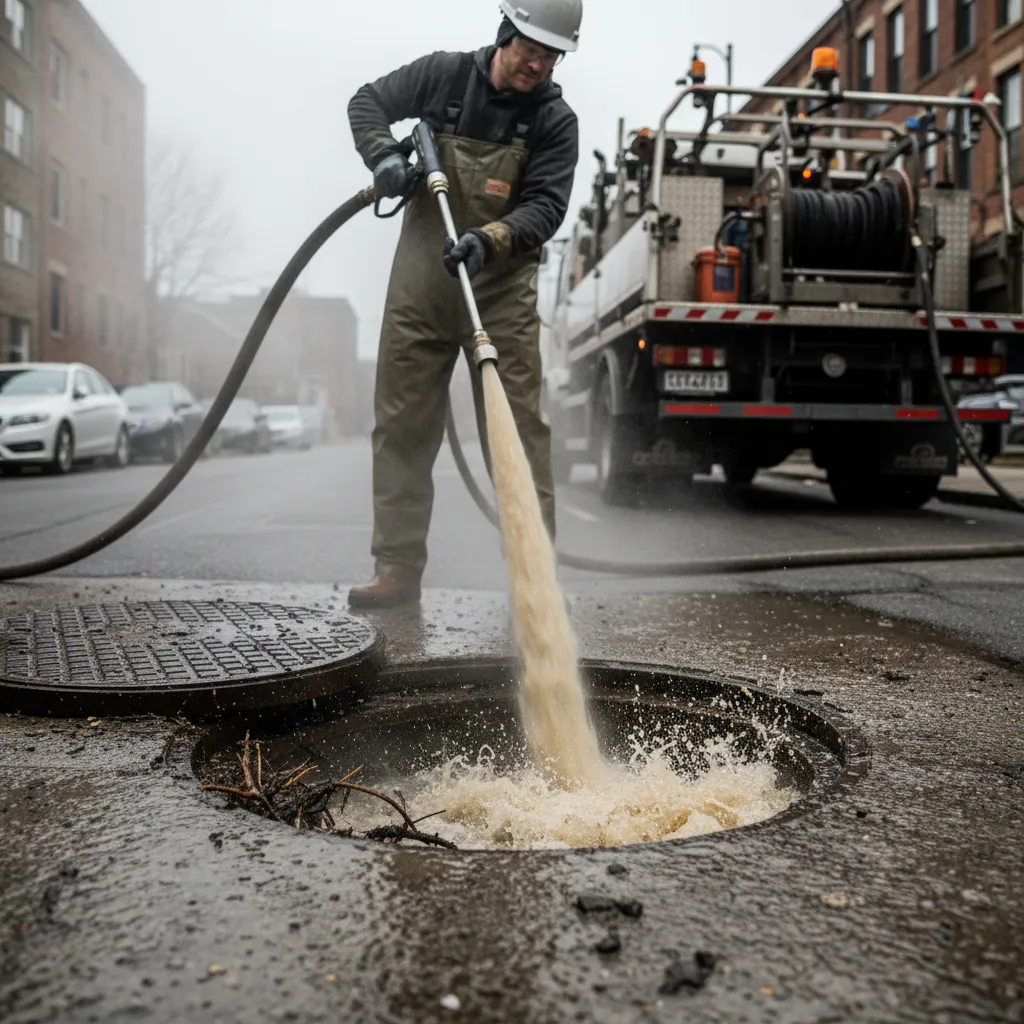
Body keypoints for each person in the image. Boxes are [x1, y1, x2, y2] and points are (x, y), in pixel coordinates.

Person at [346, 0, 583, 609]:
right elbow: (366, 102)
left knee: (522, 435)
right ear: (506, 33)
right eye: (530, 48)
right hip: (422, 287)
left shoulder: (555, 121)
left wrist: (490, 239)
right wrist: (384, 155)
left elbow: (547, 207)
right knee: (401, 426)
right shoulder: (444, 76)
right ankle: (396, 570)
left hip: (498, 291)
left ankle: (534, 584)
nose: (538, 64)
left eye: (551, 55)